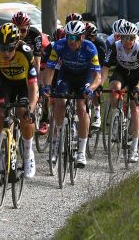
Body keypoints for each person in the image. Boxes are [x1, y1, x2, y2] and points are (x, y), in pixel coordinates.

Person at [41, 20, 102, 168]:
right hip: (66, 75)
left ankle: (81, 152)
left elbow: (98, 76)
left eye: (74, 38)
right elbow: (50, 69)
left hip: (84, 77)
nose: (71, 41)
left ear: (81, 37)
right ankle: (58, 140)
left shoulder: (90, 48)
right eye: (69, 37)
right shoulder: (60, 45)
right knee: (59, 102)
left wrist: (91, 89)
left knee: (81, 107)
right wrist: (47, 86)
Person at [0, 23, 39, 178]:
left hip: (23, 85)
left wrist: (31, 109)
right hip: (5, 83)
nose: (6, 53)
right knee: (0, 115)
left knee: (24, 113)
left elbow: (34, 87)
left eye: (10, 48)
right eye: (2, 48)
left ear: (17, 44)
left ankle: (28, 154)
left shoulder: (26, 52)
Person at [101, 19, 139, 163]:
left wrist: (137, 88)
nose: (128, 41)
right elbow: (105, 68)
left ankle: (134, 148)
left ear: (135, 38)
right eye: (125, 38)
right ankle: (116, 117)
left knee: (135, 108)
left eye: (131, 38)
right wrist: (100, 84)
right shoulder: (115, 46)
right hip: (121, 71)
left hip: (136, 76)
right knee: (114, 87)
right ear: (120, 37)